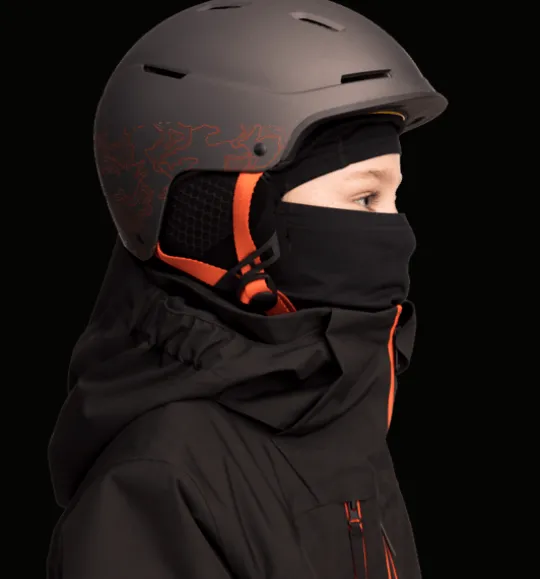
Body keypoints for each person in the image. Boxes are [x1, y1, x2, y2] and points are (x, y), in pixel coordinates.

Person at [47, 1, 447, 577]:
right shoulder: (158, 482)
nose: (399, 232)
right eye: (364, 198)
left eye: (393, 198)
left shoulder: (338, 411)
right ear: (221, 216)